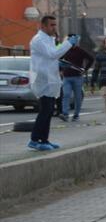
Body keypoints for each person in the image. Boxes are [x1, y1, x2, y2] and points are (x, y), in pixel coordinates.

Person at [27, 16, 75, 150]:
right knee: (45, 110)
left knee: (49, 111)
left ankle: (44, 140)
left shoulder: (49, 39)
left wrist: (59, 62)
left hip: (49, 79)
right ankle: (34, 140)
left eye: (55, 24)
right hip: (42, 80)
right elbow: (52, 54)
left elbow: (51, 57)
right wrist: (68, 43)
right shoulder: (38, 40)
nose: (54, 27)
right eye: (51, 25)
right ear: (42, 26)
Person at [59, 42, 93, 122]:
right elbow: (59, 59)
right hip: (66, 77)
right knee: (66, 94)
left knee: (78, 97)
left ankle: (76, 114)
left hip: (77, 77)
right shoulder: (65, 50)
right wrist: (60, 70)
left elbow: (91, 59)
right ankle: (65, 114)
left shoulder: (80, 50)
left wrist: (85, 69)